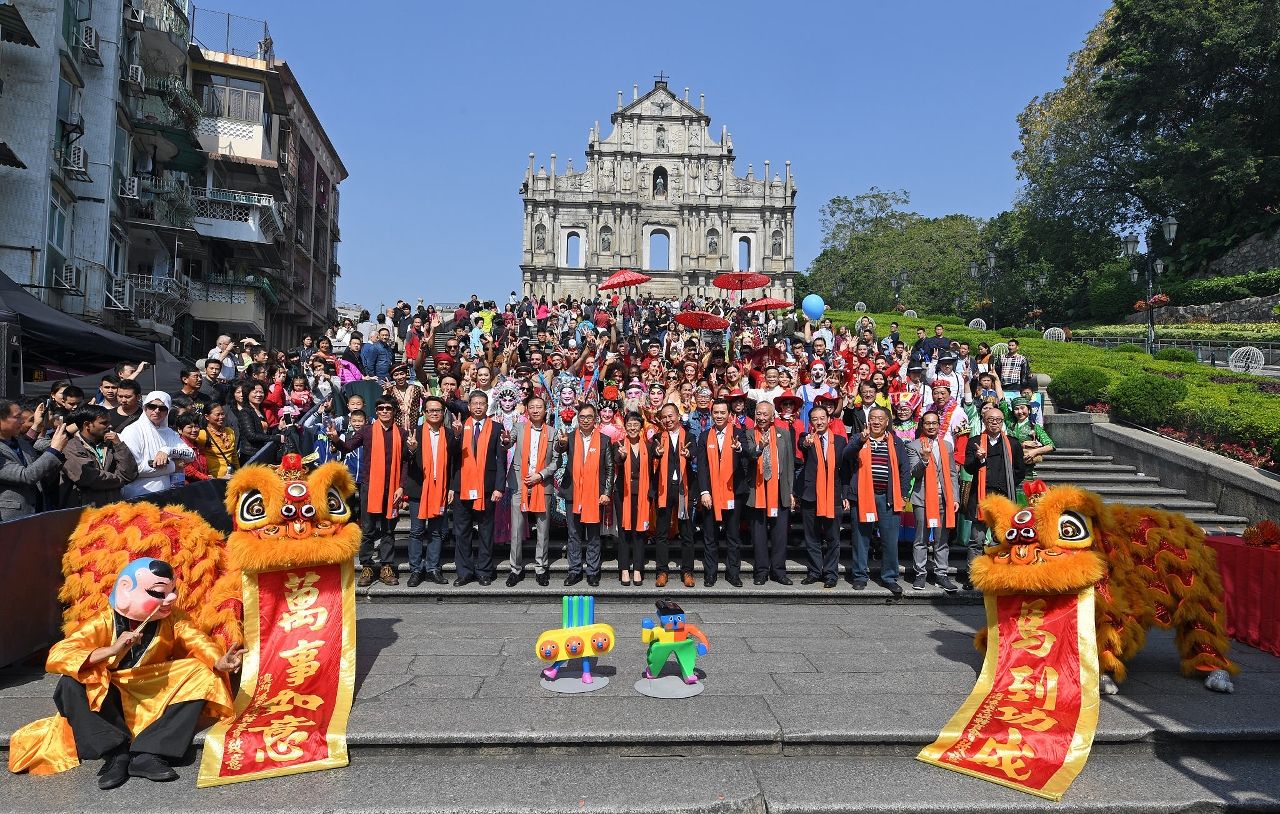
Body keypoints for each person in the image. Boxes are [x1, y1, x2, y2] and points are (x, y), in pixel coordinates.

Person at [8, 558, 242, 788]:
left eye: (173, 591)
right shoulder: (102, 620)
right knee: (71, 682)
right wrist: (110, 650)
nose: (169, 599)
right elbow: (58, 655)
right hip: (110, 694)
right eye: (159, 593)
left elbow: (198, 642)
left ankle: (150, 753)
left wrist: (219, 661)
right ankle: (115, 754)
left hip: (153, 690)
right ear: (126, 589)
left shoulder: (174, 618)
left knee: (201, 671)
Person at [329, 395, 409, 587]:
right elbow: (347, 447)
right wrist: (335, 439)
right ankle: (366, 565)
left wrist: (401, 486)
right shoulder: (366, 431)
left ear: (394, 411)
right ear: (376, 411)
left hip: (392, 488)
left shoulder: (402, 433)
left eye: (388, 408)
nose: (384, 411)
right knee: (368, 529)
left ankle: (386, 566)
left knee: (389, 529)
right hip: (370, 485)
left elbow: (406, 461)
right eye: (381, 408)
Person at [844, 405, 911, 595]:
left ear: (887, 422)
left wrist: (904, 494)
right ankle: (859, 576)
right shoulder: (858, 438)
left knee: (890, 540)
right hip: (863, 496)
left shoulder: (896, 442)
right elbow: (846, 455)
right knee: (860, 538)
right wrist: (860, 442)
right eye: (873, 418)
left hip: (888, 497)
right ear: (867, 421)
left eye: (880, 419)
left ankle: (889, 577)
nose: (876, 422)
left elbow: (904, 470)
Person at [695, 399, 758, 588]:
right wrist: (705, 491)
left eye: (723, 413)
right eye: (716, 413)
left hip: (733, 492)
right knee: (710, 536)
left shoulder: (739, 434)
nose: (719, 416)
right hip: (712, 493)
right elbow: (702, 467)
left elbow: (749, 453)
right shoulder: (705, 436)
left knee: (733, 536)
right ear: (712, 414)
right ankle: (710, 573)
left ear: (729, 415)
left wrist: (738, 448)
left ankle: (733, 573)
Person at [556, 402, 615, 588]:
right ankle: (574, 571)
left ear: (595, 419)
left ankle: (592, 571)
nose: (586, 420)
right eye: (582, 417)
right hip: (573, 492)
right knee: (573, 534)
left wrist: (607, 492)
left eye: (589, 417)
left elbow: (610, 468)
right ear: (577, 419)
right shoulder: (570, 437)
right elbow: (559, 449)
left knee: (594, 535)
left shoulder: (604, 440)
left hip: (594, 494)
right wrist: (561, 443)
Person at [403, 396, 459, 588]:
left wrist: (452, 487)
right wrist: (410, 450)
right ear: (424, 413)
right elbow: (404, 459)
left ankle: (433, 568)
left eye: (438, 410)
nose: (434, 413)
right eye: (430, 410)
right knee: (417, 531)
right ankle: (416, 570)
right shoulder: (415, 433)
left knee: (436, 532)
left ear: (443, 413)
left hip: (441, 488)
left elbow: (454, 463)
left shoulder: (450, 434)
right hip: (419, 488)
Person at [964, 404, 1027, 570]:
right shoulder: (974, 442)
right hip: (981, 496)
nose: (994, 423)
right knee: (976, 540)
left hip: (1003, 496)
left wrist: (1008, 485)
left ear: (1003, 422)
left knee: (1002, 537)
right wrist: (979, 458)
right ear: (984, 421)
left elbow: (1020, 471)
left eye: (998, 420)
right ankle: (974, 574)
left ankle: (1000, 571)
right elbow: (968, 468)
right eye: (991, 419)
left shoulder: (1012, 443)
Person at [453, 391, 506, 587]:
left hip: (487, 487)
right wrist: (457, 436)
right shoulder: (459, 427)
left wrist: (499, 487)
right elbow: (452, 458)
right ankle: (465, 571)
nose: (478, 407)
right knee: (462, 531)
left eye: (482, 403)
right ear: (468, 406)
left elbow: (501, 461)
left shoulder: (496, 428)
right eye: (474, 403)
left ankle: (484, 570)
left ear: (487, 406)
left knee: (485, 531)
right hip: (462, 487)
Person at [505, 395, 558, 587]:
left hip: (542, 484)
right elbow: (508, 442)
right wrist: (505, 441)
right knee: (517, 530)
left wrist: (541, 475)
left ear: (545, 411)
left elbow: (556, 461)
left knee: (543, 530)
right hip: (520, 482)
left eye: (539, 407)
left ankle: (541, 568)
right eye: (532, 407)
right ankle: (515, 569)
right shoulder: (518, 428)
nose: (535, 410)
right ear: (527, 410)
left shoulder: (552, 432)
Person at [907, 410, 960, 592]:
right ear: (922, 425)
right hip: (922, 498)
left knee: (941, 540)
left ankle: (941, 575)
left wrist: (955, 497)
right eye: (927, 423)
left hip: (944, 498)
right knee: (921, 539)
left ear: (939, 425)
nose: (931, 426)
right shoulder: (914, 445)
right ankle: (920, 573)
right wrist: (924, 459)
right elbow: (914, 472)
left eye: (934, 423)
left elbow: (953, 474)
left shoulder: (947, 446)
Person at [746, 400, 797, 585]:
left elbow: (789, 465)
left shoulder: (783, 434)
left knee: (780, 533)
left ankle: (778, 571)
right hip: (758, 490)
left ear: (773, 416)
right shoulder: (749, 434)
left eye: (765, 414)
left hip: (779, 489)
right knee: (758, 534)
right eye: (758, 414)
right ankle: (761, 571)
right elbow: (750, 453)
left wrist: (791, 492)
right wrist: (760, 447)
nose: (761, 417)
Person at [796, 404, 846, 588]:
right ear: (810, 422)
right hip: (811, 495)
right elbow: (802, 446)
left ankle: (831, 574)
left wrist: (845, 494)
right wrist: (808, 442)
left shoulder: (840, 441)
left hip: (833, 495)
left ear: (829, 419)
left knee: (833, 537)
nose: (819, 422)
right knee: (812, 537)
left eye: (822, 418)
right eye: (815, 419)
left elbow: (845, 470)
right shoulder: (806, 437)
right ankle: (815, 571)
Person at [0, 398, 70, 520]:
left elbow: (40, 474)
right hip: (13, 520)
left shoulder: (21, 442)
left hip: (38, 512)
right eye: (17, 417)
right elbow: (26, 476)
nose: (22, 422)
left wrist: (57, 453)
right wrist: (54, 450)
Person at [651, 403, 696, 588]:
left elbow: (692, 452)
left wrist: (688, 454)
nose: (668, 420)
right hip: (664, 489)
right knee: (662, 533)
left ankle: (687, 571)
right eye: (664, 417)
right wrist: (657, 453)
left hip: (684, 489)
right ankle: (662, 571)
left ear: (678, 416)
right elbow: (653, 453)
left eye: (671, 416)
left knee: (686, 533)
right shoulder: (657, 438)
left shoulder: (690, 436)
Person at [59, 405, 138, 508]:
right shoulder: (71, 447)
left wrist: (119, 446)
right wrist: (120, 479)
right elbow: (90, 478)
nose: (110, 426)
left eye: (109, 422)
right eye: (104, 423)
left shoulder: (111, 444)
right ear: (87, 425)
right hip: (84, 511)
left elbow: (130, 473)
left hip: (112, 509)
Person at [118, 393, 194, 499]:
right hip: (139, 497)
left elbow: (191, 454)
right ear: (145, 407)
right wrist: (173, 466)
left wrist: (167, 450)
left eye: (162, 408)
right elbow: (133, 470)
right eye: (152, 406)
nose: (157, 411)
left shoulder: (169, 432)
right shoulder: (132, 431)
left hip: (168, 497)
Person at [614, 411, 656, 586]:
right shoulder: (618, 445)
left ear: (640, 427)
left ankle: (637, 569)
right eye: (629, 424)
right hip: (622, 494)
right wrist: (622, 457)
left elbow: (654, 468)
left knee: (639, 533)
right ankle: (624, 569)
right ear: (625, 427)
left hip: (642, 494)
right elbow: (616, 459)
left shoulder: (648, 447)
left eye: (636, 425)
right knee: (624, 532)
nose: (632, 428)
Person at [197, 403, 238, 478]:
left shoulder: (229, 431)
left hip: (232, 476)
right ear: (207, 417)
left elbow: (234, 455)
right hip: (214, 478)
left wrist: (238, 472)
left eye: (222, 414)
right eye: (217, 415)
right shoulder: (202, 434)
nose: (221, 417)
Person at [175, 415, 212, 482]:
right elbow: (188, 470)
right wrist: (207, 479)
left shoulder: (198, 446)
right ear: (180, 430)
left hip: (201, 485)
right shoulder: (178, 447)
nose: (194, 430)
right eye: (190, 427)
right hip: (187, 487)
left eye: (196, 427)